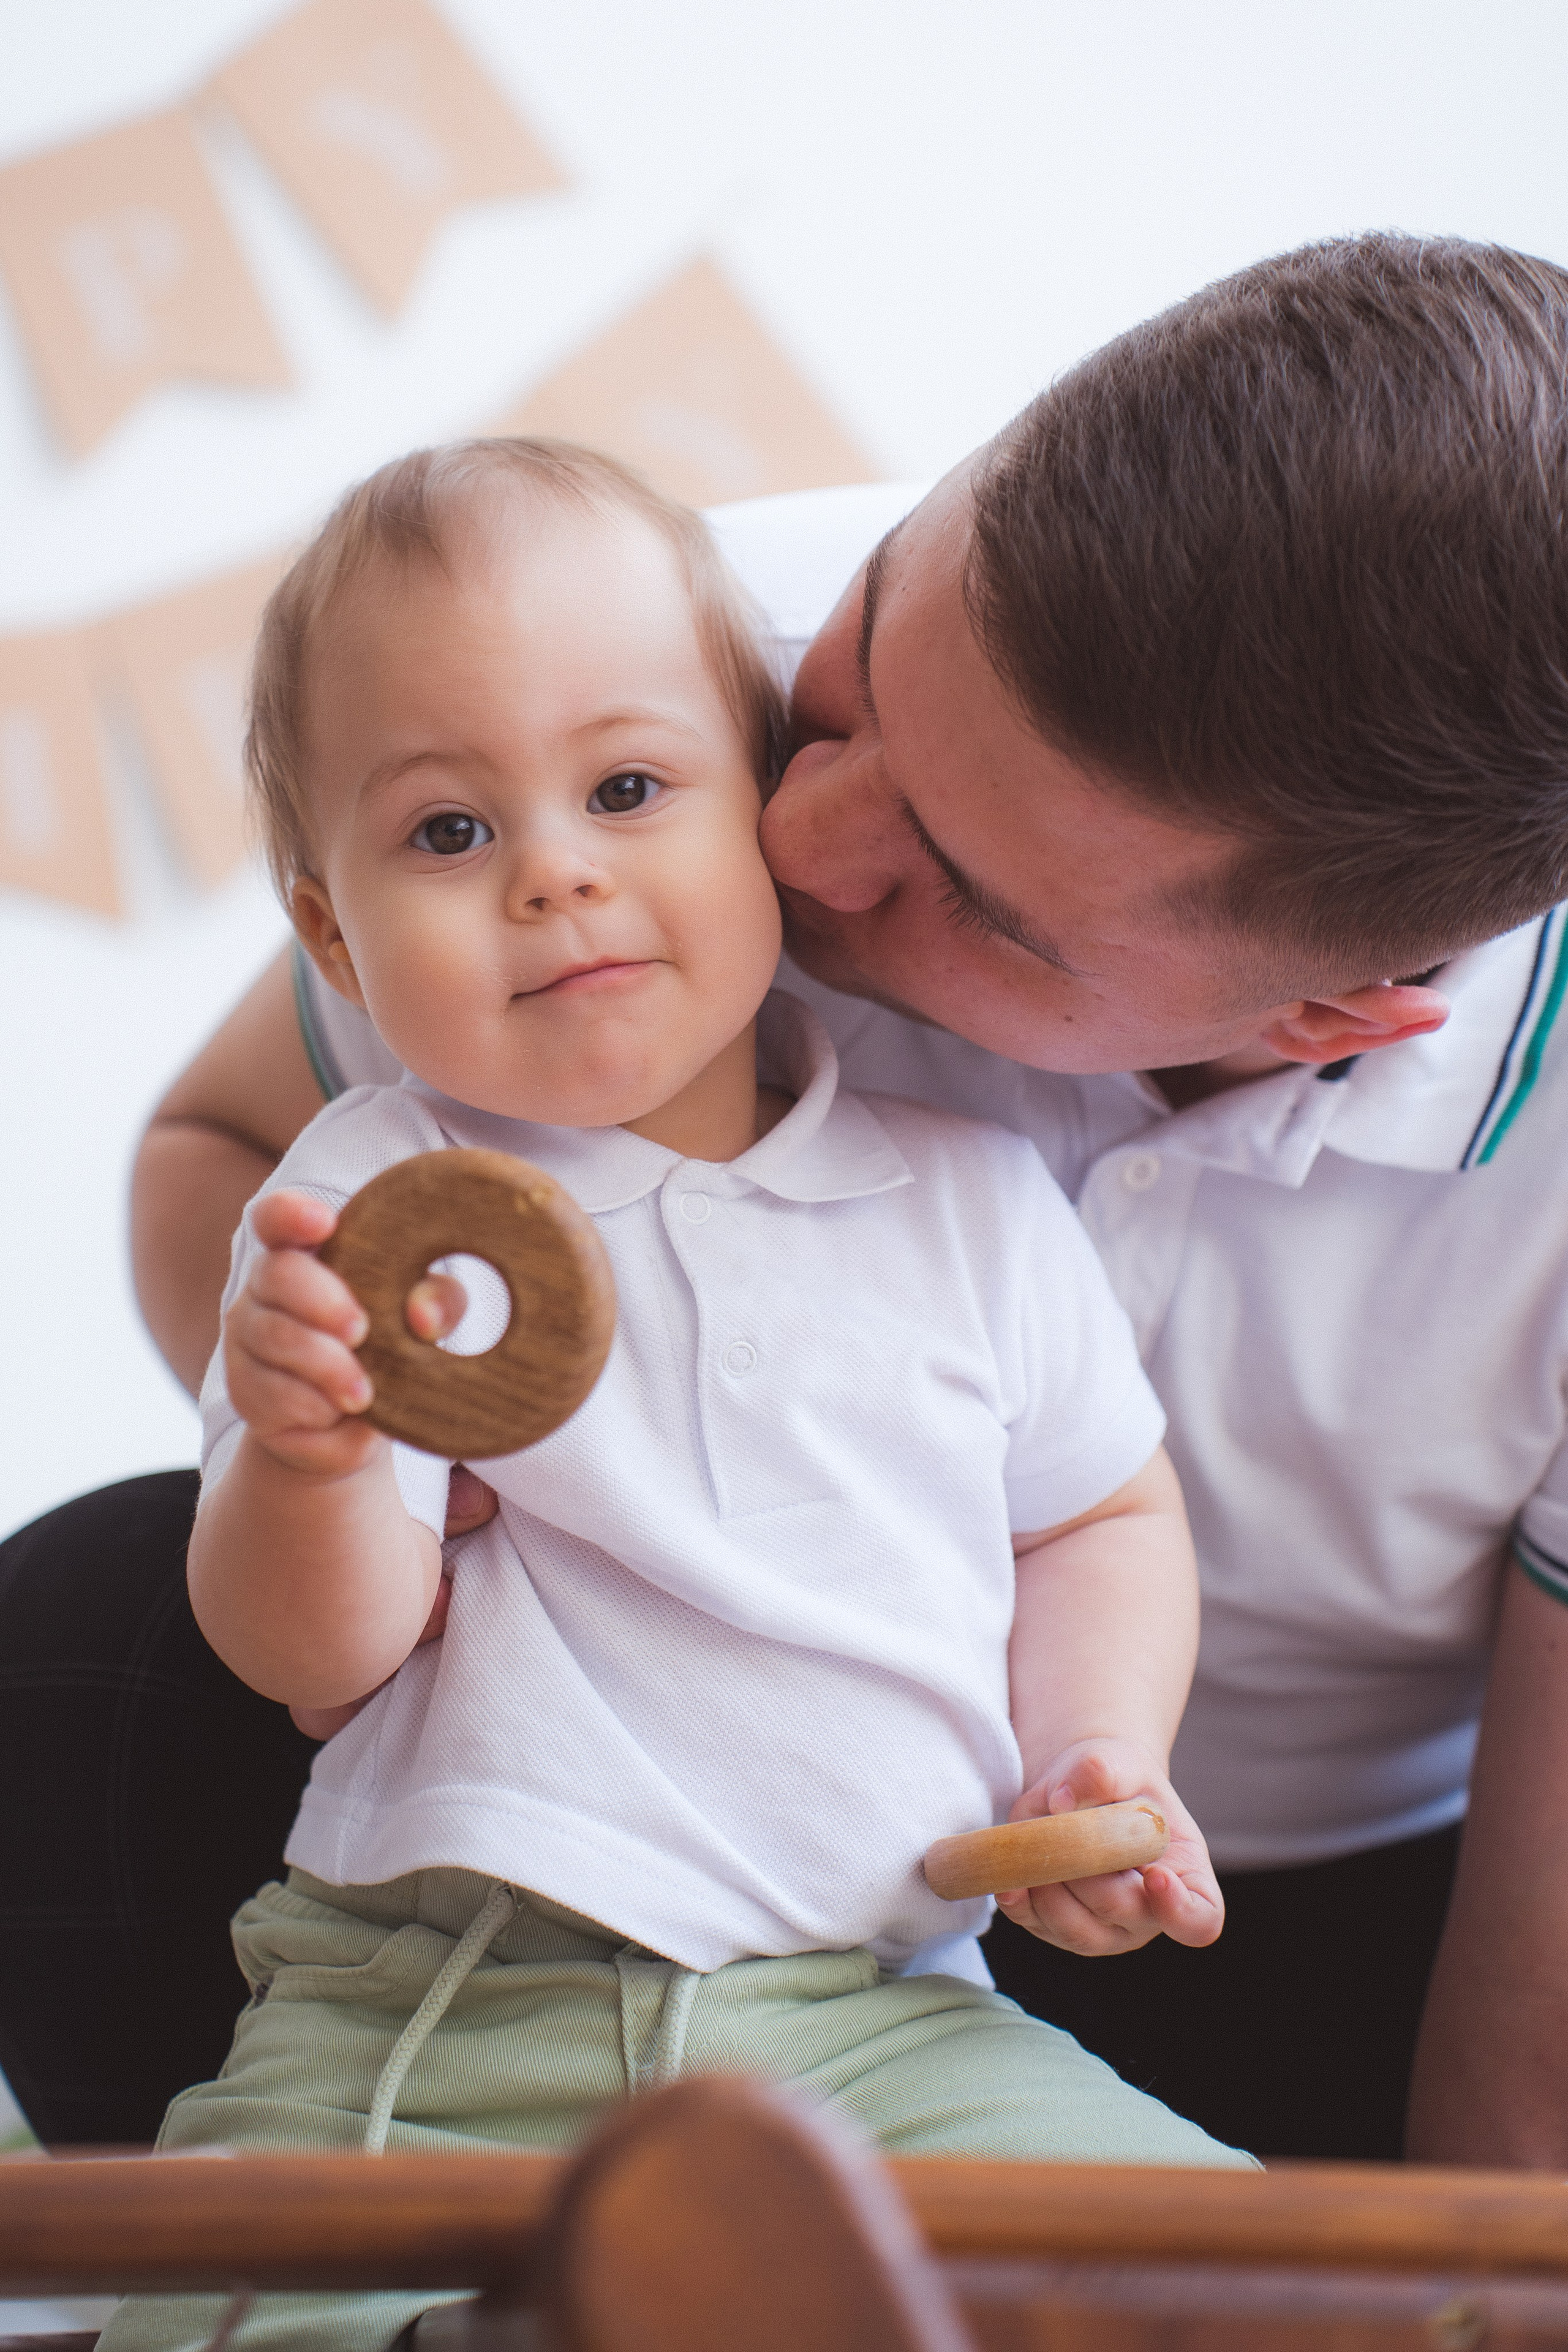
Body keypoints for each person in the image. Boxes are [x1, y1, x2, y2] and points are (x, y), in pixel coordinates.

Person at [4, 230, 1568, 2166]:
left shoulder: (1006, 1193)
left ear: (1336, 1015)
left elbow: (1535, 1991)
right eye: (847, 686)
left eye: (964, 888)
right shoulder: (609, 682)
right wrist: (371, 1483)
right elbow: (220, 1154)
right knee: (77, 1626)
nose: (798, 834)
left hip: (1232, 1888)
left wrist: (1102, 1763)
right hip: (533, 1853)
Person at [104, 431, 1248, 2352]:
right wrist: (307, 1456)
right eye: (448, 834)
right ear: (333, 938)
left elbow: (1101, 1515)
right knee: (216, 2312)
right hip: (464, 2002)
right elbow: (317, 1654)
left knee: (1277, 2284)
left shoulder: (970, 1198)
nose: (555, 872)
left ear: (765, 821)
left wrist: (1100, 1751)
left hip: (888, 2022)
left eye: (628, 790)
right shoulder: (370, 1201)